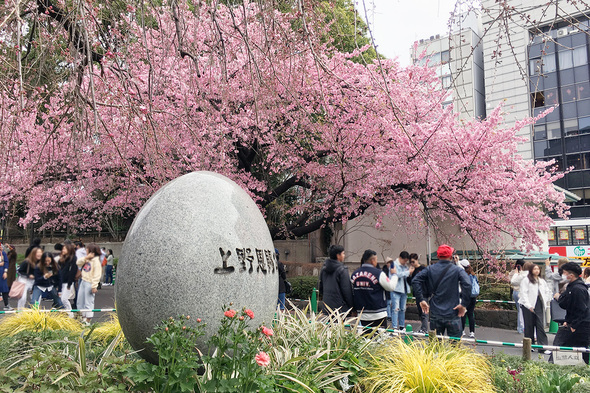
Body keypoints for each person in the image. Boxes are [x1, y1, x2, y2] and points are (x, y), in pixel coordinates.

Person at [412, 244, 471, 338]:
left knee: (435, 346)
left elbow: (415, 280)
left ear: (438, 256)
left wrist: (421, 299)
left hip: (436, 313)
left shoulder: (430, 269)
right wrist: (463, 304)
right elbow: (468, 284)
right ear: (451, 256)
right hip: (453, 312)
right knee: (454, 346)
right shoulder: (457, 270)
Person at [552, 262, 590, 364]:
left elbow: (582, 309)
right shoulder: (571, 287)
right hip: (573, 323)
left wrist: (574, 325)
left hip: (581, 325)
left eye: (564, 273)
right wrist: (568, 321)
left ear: (571, 275)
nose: (562, 275)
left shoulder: (578, 289)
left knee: (581, 351)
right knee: (571, 350)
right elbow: (567, 305)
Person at [351, 249, 398, 329]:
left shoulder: (354, 274)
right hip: (378, 312)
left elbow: (351, 293)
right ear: (372, 260)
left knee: (366, 338)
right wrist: (394, 275)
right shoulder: (378, 273)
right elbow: (391, 287)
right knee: (380, 339)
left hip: (362, 314)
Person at [519, 263, 551, 353]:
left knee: (540, 325)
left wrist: (547, 298)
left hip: (539, 303)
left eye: (538, 269)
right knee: (529, 325)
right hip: (527, 305)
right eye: (535, 269)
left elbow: (547, 291)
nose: (537, 271)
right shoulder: (526, 280)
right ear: (531, 270)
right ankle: (529, 345)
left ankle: (543, 347)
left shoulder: (541, 281)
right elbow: (523, 293)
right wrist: (528, 305)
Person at [318, 245, 354, 313]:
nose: (344, 255)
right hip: (340, 308)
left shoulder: (324, 269)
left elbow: (321, 287)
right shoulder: (342, 269)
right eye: (343, 253)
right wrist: (351, 307)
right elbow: (347, 290)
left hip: (327, 306)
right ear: (338, 255)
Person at [76, 243, 103, 324]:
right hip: (83, 281)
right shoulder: (87, 259)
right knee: (80, 301)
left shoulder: (96, 261)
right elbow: (78, 263)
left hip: (89, 283)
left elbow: (97, 274)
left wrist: (94, 286)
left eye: (87, 249)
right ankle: (82, 317)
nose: (86, 250)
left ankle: (88, 320)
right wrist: (86, 257)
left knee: (88, 302)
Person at [407, 253, 427, 333]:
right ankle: (423, 327)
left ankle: (425, 329)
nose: (412, 264)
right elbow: (410, 283)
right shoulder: (413, 271)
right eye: (410, 262)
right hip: (417, 293)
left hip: (424, 292)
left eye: (413, 261)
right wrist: (410, 275)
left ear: (417, 260)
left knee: (424, 312)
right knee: (420, 312)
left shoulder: (422, 269)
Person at [459, 259, 479, 338]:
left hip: (465, 296)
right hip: (473, 297)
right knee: (470, 314)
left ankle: (462, 331)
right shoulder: (473, 275)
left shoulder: (464, 275)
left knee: (463, 313)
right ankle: (472, 332)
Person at [59, 243, 79, 316]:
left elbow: (73, 271)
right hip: (62, 281)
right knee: (62, 299)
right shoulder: (63, 258)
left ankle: (70, 314)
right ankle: (68, 313)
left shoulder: (73, 258)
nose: (63, 250)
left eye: (64, 249)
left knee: (64, 299)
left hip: (68, 282)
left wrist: (70, 283)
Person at [509, 259, 526, 333]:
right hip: (519, 292)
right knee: (521, 311)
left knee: (519, 310)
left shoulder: (513, 272)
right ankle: (521, 328)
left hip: (515, 292)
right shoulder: (522, 273)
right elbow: (513, 281)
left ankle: (520, 327)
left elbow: (510, 279)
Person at [382, 257, 394, 322]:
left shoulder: (393, 269)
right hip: (387, 289)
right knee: (388, 303)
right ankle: (389, 315)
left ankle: (390, 315)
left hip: (392, 288)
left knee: (391, 303)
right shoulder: (384, 271)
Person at [0, 244, 10, 310]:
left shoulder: (3, 253)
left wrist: (5, 272)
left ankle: (7, 305)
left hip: (2, 273)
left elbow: (6, 262)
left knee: (4, 289)